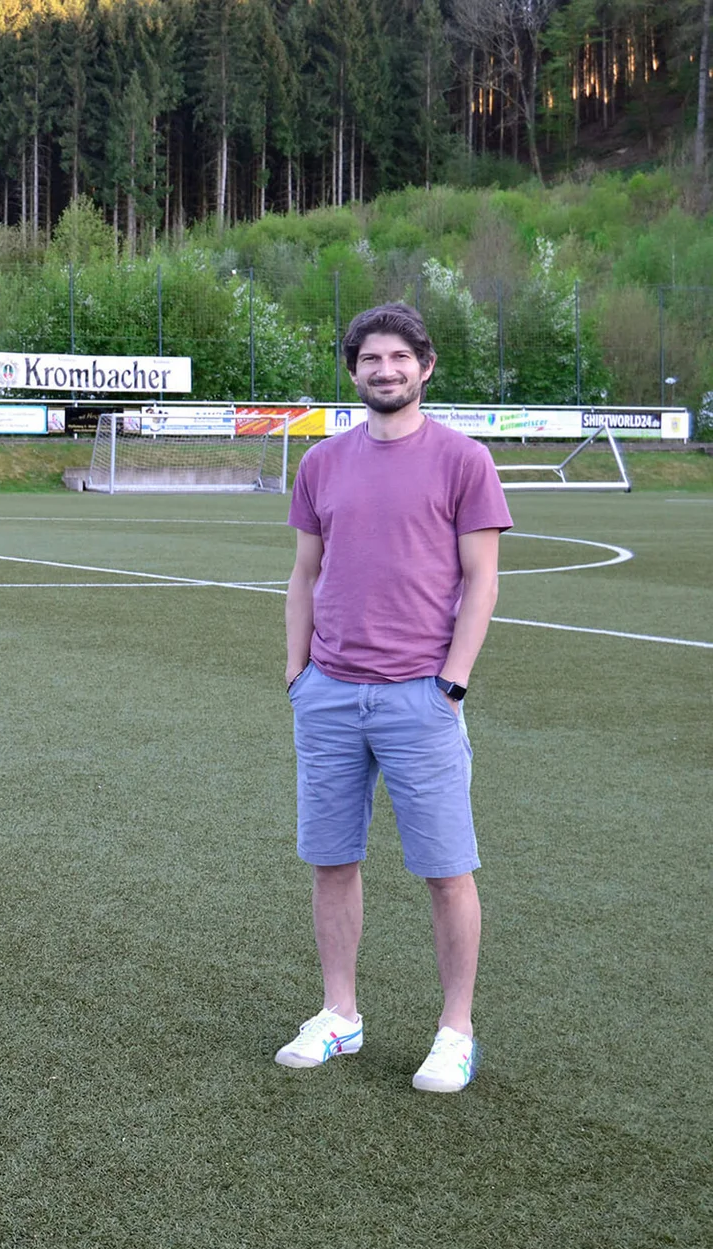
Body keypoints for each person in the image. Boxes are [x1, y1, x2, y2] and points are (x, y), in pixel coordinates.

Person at [276, 301, 511, 1092]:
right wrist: (297, 672)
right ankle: (339, 1014)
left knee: (447, 869)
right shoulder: (322, 464)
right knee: (332, 859)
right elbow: (304, 574)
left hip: (420, 695)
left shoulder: (464, 461)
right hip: (331, 695)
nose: (386, 370)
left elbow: (482, 581)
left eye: (399, 358)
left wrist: (453, 681)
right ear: (354, 371)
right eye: (371, 359)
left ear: (426, 365)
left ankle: (455, 1029)